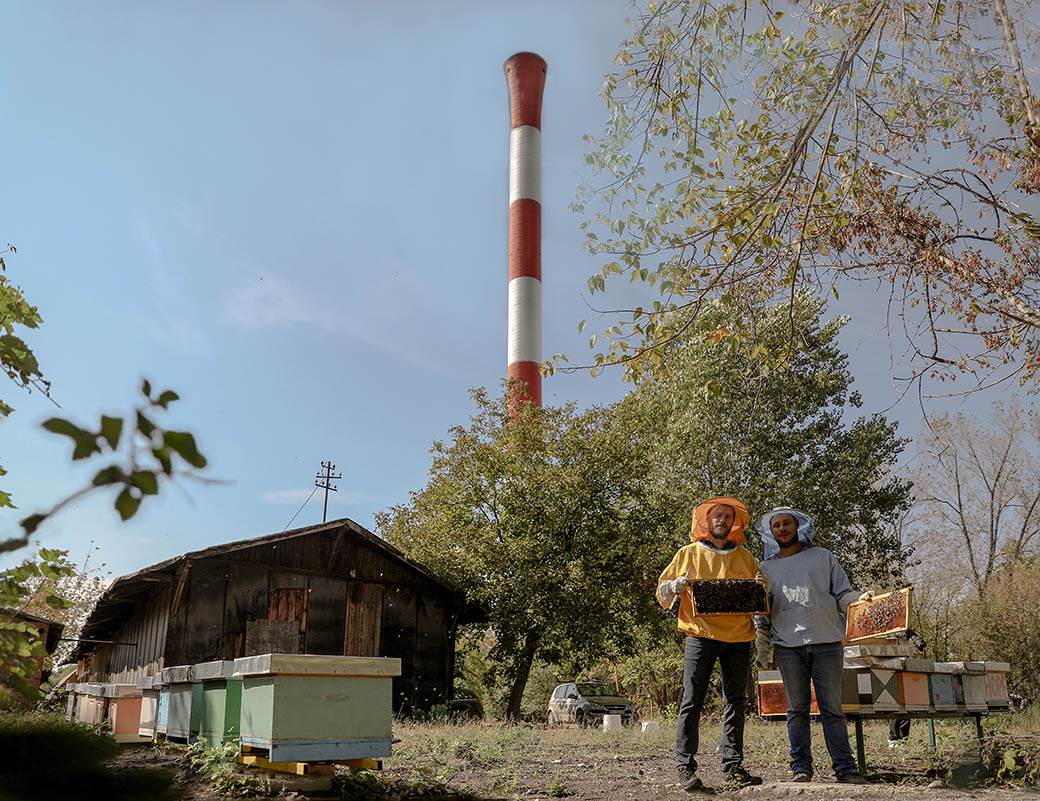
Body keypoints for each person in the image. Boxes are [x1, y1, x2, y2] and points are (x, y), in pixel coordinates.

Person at [753, 507, 870, 785]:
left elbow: (842, 593)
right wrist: (762, 648)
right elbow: (762, 613)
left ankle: (845, 769)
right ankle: (801, 769)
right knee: (796, 710)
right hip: (788, 646)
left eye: (787, 523)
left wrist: (859, 599)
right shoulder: (765, 568)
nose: (782, 528)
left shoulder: (823, 557)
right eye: (777, 525)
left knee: (832, 709)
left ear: (798, 527)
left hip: (827, 642)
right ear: (771, 533)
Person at [657, 496, 764, 792]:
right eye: (718, 516)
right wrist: (674, 586)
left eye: (728, 517)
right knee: (692, 700)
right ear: (707, 520)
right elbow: (662, 592)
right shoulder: (688, 553)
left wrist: (761, 590)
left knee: (736, 702)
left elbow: (758, 599)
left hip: (739, 638)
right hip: (700, 634)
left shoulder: (745, 557)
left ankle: (733, 767)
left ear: (734, 523)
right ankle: (685, 766)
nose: (722, 520)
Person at [887, 629, 928, 746]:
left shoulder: (904, 627)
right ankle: (893, 738)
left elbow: (912, 635)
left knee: (907, 704)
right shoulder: (884, 630)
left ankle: (904, 739)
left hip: (904, 664)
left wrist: (919, 641)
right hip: (888, 664)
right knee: (895, 705)